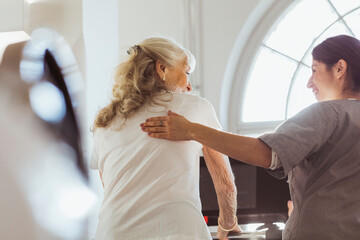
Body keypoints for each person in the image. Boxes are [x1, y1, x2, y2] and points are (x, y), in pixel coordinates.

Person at [141, 34, 360, 240]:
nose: (309, 82)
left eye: (314, 70)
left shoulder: (327, 113)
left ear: (340, 68)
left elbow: (267, 154)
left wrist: (192, 130)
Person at [90, 37, 240, 240]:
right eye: (186, 72)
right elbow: (225, 185)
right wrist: (227, 224)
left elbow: (111, 186)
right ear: (162, 69)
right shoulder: (196, 107)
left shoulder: (104, 120)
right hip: (179, 232)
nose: (189, 86)